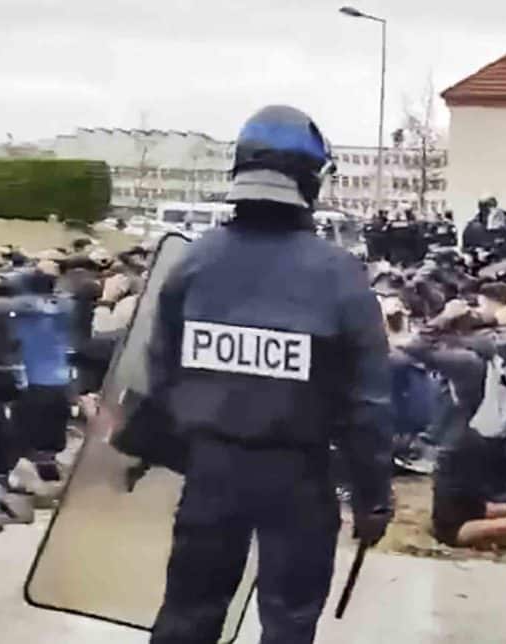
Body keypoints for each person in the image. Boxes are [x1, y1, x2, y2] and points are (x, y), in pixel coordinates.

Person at [147, 105, 394, 644]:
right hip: (300, 479)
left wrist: (178, 455)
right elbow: (368, 404)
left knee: (188, 614)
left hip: (210, 473)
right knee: (288, 622)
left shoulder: (191, 264)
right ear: (312, 181)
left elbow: (160, 373)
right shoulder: (340, 277)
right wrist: (373, 496)